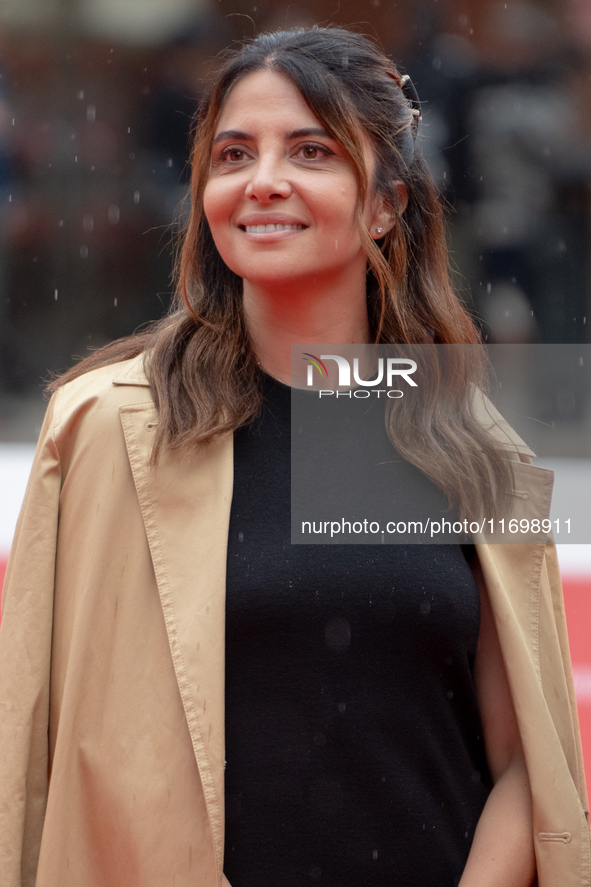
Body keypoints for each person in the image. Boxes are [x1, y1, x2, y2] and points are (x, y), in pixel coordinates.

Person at [0, 26, 588, 887]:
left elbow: (524, 762)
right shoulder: (106, 429)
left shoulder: (468, 448)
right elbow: (32, 757)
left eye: (310, 149)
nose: (262, 180)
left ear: (385, 203)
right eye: (233, 153)